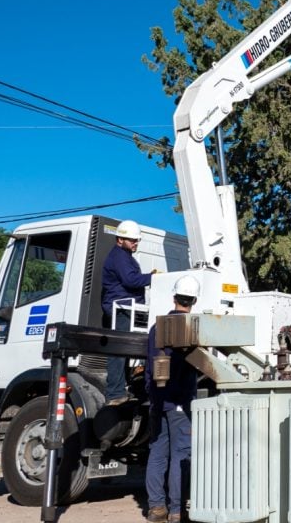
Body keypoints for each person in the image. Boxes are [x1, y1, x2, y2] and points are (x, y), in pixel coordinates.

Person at [145, 275, 200, 523]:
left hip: (158, 401)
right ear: (194, 301)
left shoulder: (157, 327)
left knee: (157, 453)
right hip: (180, 401)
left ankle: (156, 508)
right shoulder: (192, 328)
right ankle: (176, 510)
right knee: (180, 455)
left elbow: (149, 366)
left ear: (174, 297)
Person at [101, 219, 154, 405]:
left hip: (129, 308)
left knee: (127, 350)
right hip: (121, 309)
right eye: (131, 240)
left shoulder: (125, 257)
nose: (135, 243)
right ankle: (114, 393)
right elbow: (131, 281)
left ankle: (123, 388)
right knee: (118, 351)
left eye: (136, 240)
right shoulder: (119, 257)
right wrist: (152, 278)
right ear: (119, 239)